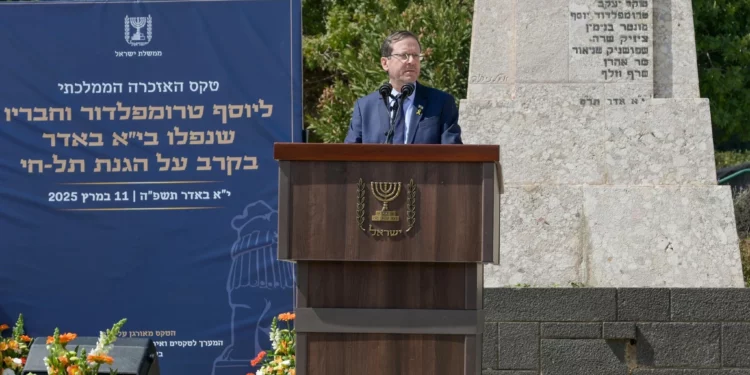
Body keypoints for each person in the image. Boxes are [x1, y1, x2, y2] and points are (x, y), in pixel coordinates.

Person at [343, 31, 462, 144]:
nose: (411, 61)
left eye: (416, 56)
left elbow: (452, 154)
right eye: (404, 55)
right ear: (385, 63)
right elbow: (349, 155)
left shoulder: (441, 102)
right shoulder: (365, 107)